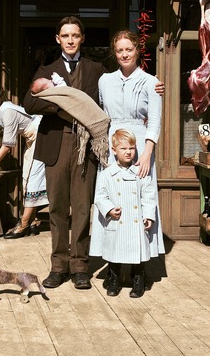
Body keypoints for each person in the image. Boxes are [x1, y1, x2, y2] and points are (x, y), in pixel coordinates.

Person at [23, 16, 105, 290]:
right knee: (57, 207)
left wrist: (153, 87)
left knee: (82, 208)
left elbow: (112, 96)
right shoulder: (47, 69)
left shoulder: (96, 69)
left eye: (75, 35)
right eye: (65, 36)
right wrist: (60, 106)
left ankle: (80, 266)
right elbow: (29, 102)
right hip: (56, 144)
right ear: (57, 39)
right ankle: (58, 266)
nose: (70, 40)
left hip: (86, 147)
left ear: (82, 38)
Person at [90, 30, 165, 284]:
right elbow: (101, 113)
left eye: (128, 49)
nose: (124, 54)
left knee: (138, 200)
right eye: (120, 50)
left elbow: (154, 119)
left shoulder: (150, 81)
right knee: (111, 197)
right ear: (115, 53)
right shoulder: (105, 81)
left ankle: (138, 270)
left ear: (137, 50)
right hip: (112, 144)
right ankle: (112, 266)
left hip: (139, 145)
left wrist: (147, 152)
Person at [0, 87, 48, 238]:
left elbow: (7, 146)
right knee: (27, 178)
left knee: (32, 179)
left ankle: (24, 224)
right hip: (32, 139)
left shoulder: (6, 112)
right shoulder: (0, 112)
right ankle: (32, 223)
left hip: (39, 137)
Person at [93, 129, 157, 298]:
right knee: (115, 252)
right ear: (114, 150)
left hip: (136, 222)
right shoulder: (108, 174)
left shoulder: (140, 173)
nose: (128, 152)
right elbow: (100, 196)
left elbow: (149, 196)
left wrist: (148, 215)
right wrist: (108, 209)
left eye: (132, 148)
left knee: (138, 254)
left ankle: (138, 278)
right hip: (117, 220)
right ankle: (114, 279)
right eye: (124, 149)